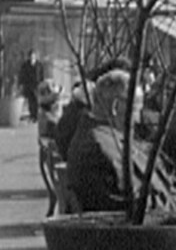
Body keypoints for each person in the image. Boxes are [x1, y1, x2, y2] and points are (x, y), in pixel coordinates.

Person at [66, 69, 173, 212]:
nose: (138, 119)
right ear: (116, 106)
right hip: (145, 230)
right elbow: (130, 207)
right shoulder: (98, 148)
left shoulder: (103, 137)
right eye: (136, 110)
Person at [18, 50, 45, 122]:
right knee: (30, 101)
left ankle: (36, 115)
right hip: (29, 85)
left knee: (36, 101)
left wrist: (41, 83)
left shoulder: (39, 65)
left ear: (35, 56)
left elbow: (41, 75)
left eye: (33, 56)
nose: (32, 57)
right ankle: (32, 115)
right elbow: (22, 75)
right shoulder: (25, 65)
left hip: (36, 85)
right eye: (30, 56)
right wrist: (22, 84)